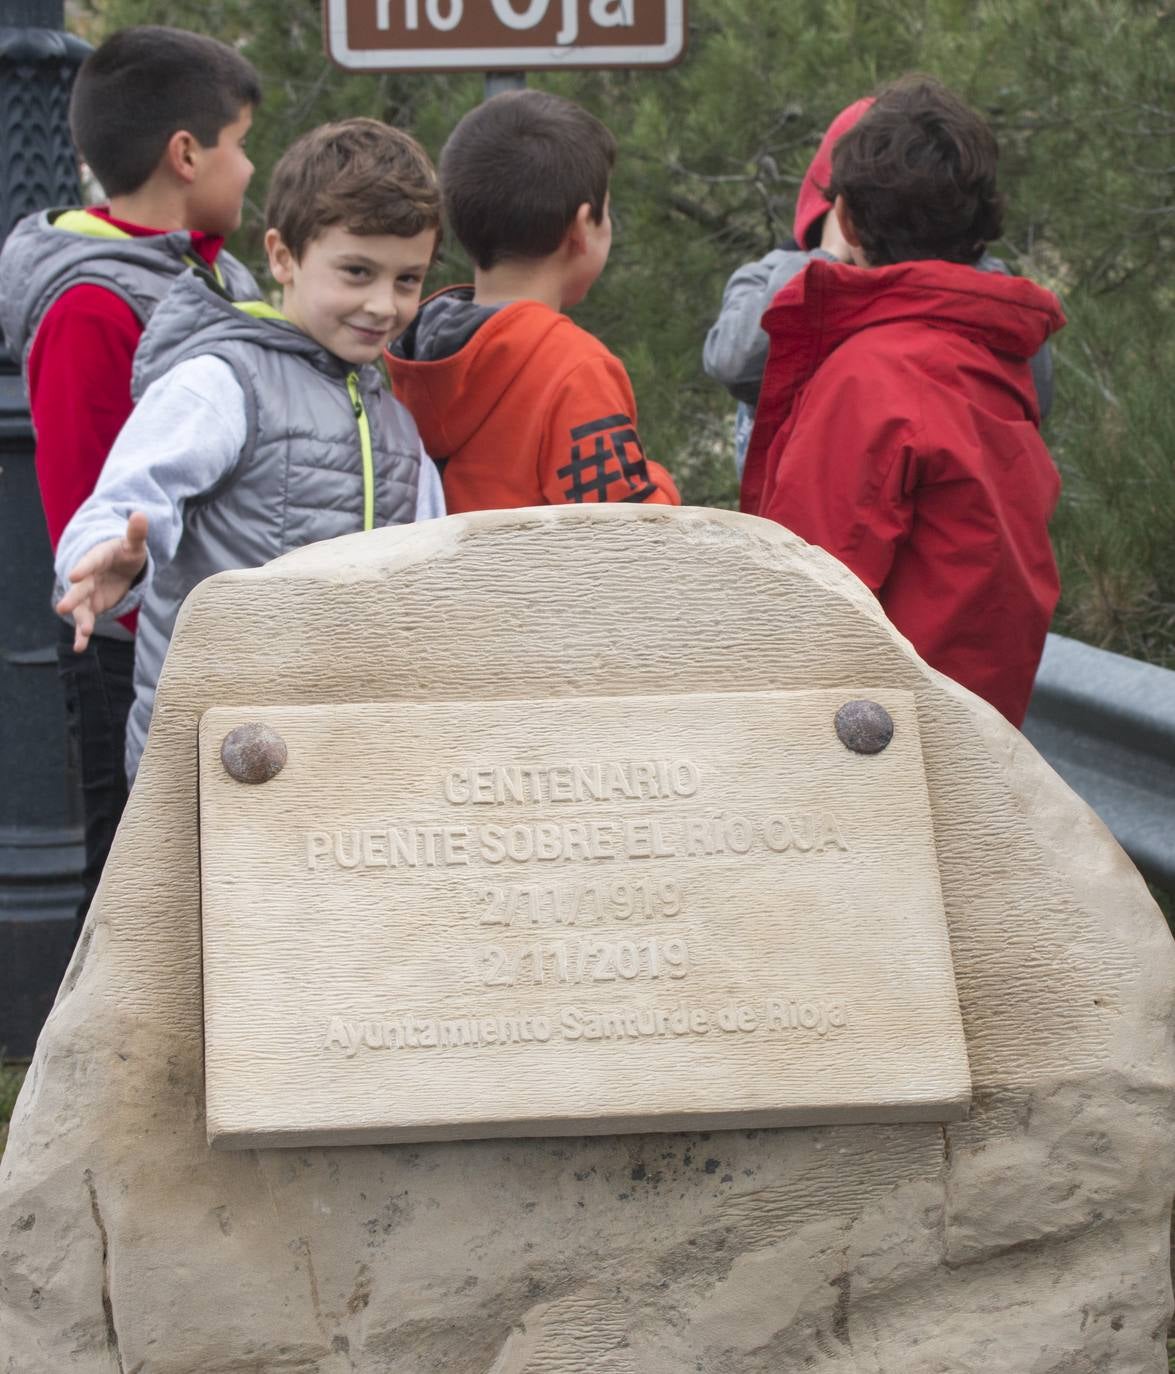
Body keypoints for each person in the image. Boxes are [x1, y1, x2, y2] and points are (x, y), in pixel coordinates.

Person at [54, 118, 445, 784]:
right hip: (217, 760)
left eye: (407, 280)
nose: (383, 304)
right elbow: (128, 500)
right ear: (283, 255)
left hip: (343, 755)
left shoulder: (393, 421)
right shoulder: (223, 381)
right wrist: (105, 558)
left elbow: (432, 573)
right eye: (357, 271)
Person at [0, 26, 262, 930]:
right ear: (186, 154)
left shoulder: (217, 273)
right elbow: (91, 509)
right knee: (135, 883)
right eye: (240, 142)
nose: (252, 166)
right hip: (126, 650)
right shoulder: (88, 305)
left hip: (203, 629)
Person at [741, 76, 1065, 726]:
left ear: (849, 222)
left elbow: (806, 607)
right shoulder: (998, 355)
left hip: (879, 751)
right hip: (973, 732)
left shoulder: (870, 379)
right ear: (981, 221)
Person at [703, 95, 1054, 475]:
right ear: (840, 214)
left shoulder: (989, 297)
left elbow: (1031, 395)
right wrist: (827, 263)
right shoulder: (771, 277)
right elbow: (734, 363)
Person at [387, 89, 681, 512]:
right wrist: (657, 480)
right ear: (581, 228)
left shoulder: (415, 348)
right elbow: (625, 535)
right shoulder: (576, 370)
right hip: (537, 581)